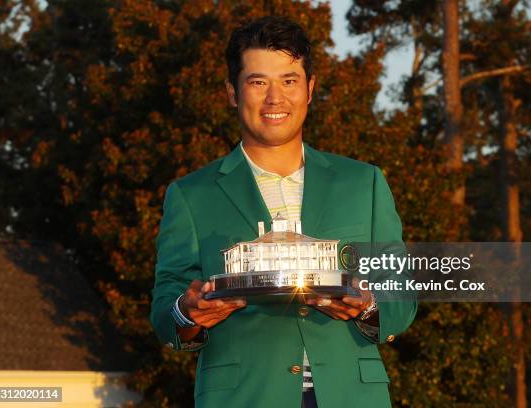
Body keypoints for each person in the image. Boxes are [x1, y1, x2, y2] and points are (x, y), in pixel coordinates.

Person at [150, 16, 417, 408]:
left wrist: (371, 306)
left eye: (289, 81)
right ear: (232, 92)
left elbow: (402, 291)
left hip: (352, 395)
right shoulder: (191, 195)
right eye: (258, 82)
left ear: (309, 89)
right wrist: (187, 313)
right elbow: (165, 306)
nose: (275, 98)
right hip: (243, 397)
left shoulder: (364, 183)